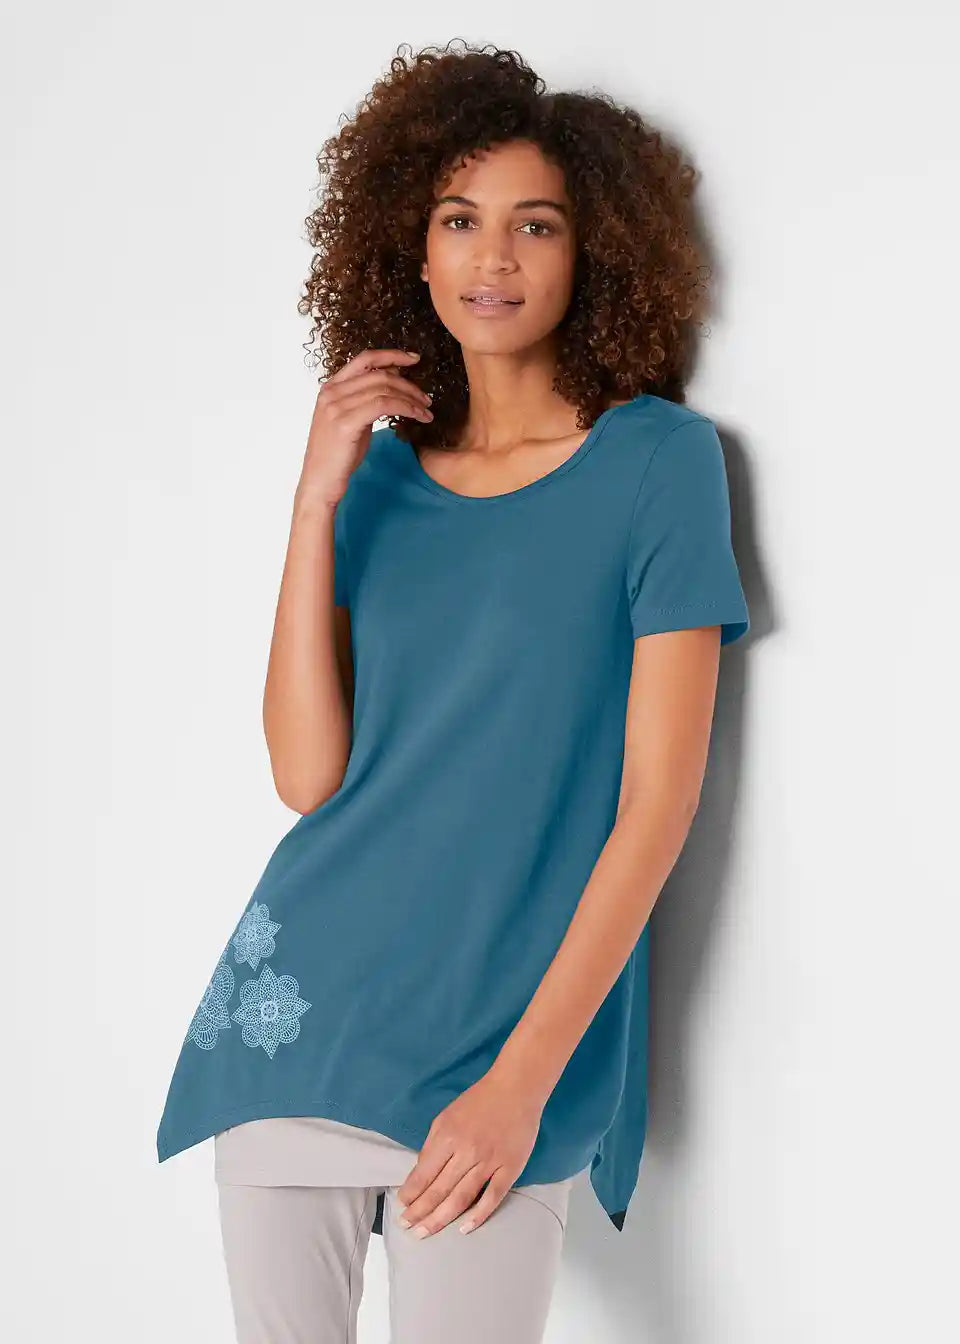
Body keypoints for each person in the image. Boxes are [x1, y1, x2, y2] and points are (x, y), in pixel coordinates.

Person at [155, 39, 750, 1344]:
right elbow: (308, 776)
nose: (494, 256)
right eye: (459, 219)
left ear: (593, 252)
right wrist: (314, 496)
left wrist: (519, 1085)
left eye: (537, 224)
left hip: (498, 1060)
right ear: (411, 251)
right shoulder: (376, 480)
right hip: (300, 1032)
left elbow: (657, 806)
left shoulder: (659, 463)